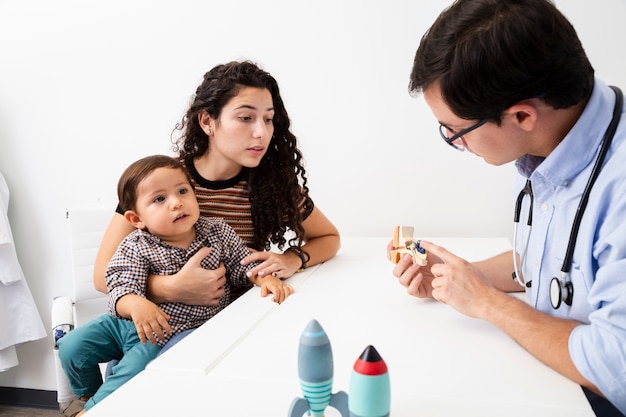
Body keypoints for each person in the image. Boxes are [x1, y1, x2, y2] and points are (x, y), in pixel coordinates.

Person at [389, 1, 626, 416]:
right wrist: (463, 277)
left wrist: (488, 303)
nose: (454, 142)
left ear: (521, 115)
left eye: (455, 131)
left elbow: (616, 367)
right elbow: (557, 266)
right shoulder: (551, 140)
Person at [58, 155, 294, 416]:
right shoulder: (135, 244)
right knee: (71, 346)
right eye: (160, 199)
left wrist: (265, 277)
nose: (176, 203)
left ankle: (94, 411)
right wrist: (135, 303)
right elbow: (118, 284)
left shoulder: (215, 231)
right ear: (137, 219)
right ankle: (88, 395)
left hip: (167, 331)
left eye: (183, 191)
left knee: (134, 369)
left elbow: (242, 264)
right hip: (125, 322)